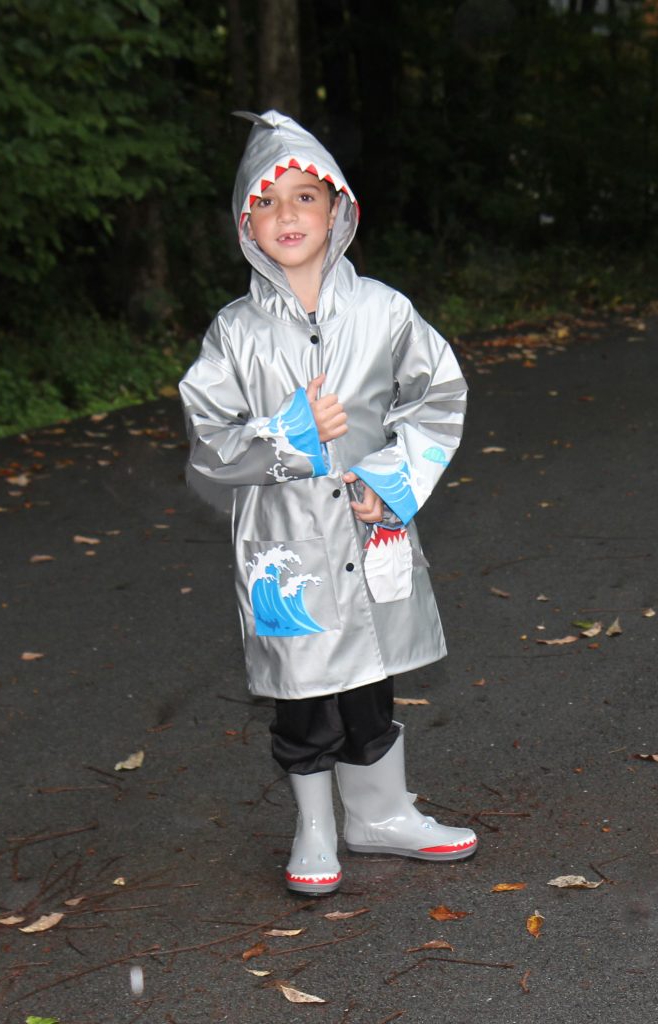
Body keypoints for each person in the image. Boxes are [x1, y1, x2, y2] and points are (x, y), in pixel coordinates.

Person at [179, 110, 477, 895]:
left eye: (305, 198)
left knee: (370, 677)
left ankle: (378, 813)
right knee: (301, 688)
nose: (288, 217)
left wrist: (387, 482)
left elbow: (437, 395)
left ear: (337, 209)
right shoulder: (234, 334)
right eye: (269, 203)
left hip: (369, 533)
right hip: (285, 550)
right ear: (246, 220)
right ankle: (314, 826)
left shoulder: (383, 312)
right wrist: (287, 439)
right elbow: (208, 446)